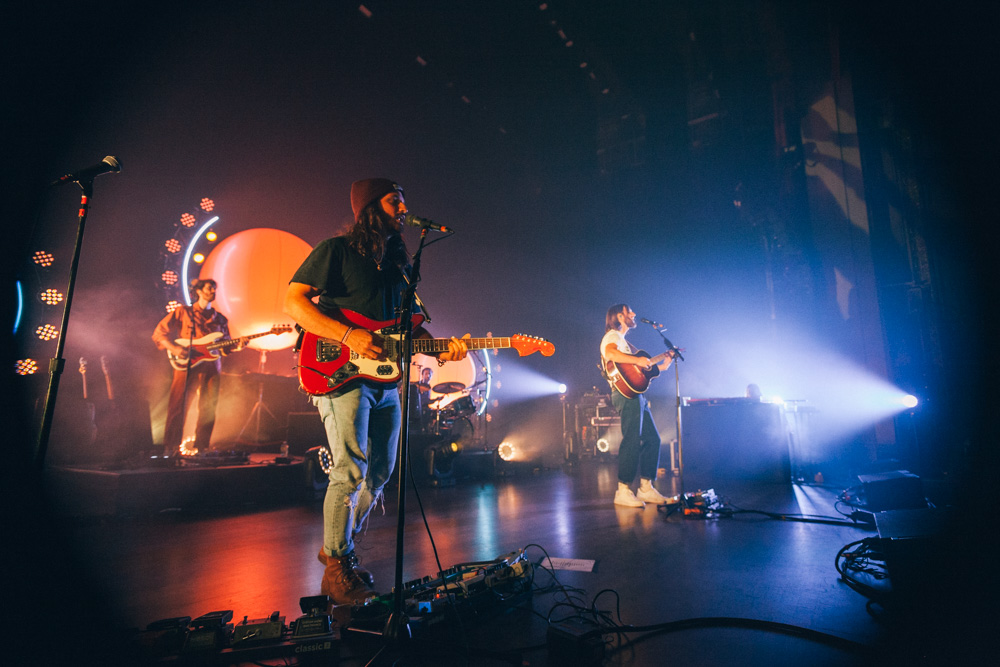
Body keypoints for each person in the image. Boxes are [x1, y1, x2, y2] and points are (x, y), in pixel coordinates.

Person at [284, 178, 468, 605]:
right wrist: (348, 334)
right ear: (370, 208)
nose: (404, 209)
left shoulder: (400, 265)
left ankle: (336, 547)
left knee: (381, 472)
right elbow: (294, 303)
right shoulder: (336, 251)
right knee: (349, 470)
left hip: (385, 379)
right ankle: (339, 565)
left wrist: (448, 349)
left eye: (405, 201)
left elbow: (407, 331)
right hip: (339, 373)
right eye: (394, 201)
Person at [152, 278, 240, 455]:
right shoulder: (184, 312)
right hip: (187, 363)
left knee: (209, 406)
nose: (213, 291)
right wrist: (175, 349)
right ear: (198, 291)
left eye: (215, 288)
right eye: (209, 288)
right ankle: (171, 447)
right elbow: (159, 333)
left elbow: (224, 348)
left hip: (212, 366)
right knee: (178, 404)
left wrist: (238, 345)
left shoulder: (220, 319)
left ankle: (202, 447)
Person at [600, 304, 675, 507]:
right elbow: (611, 355)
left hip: (636, 395)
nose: (633, 314)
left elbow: (638, 374)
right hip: (625, 395)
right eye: (629, 311)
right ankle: (622, 491)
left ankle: (646, 488)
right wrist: (640, 361)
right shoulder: (613, 336)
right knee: (632, 439)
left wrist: (663, 365)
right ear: (619, 316)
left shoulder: (625, 343)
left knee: (653, 439)